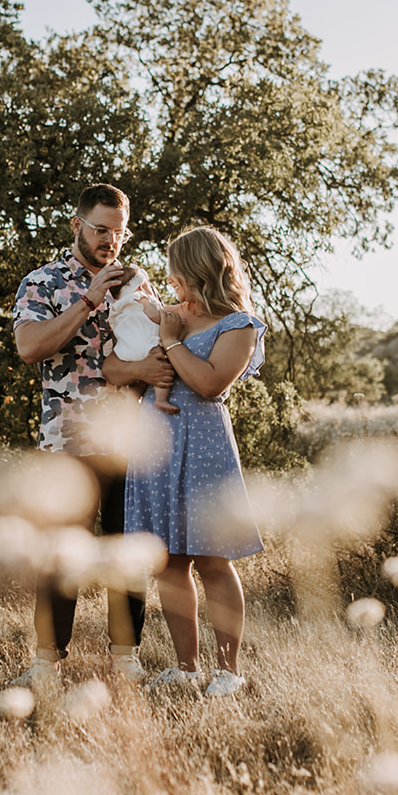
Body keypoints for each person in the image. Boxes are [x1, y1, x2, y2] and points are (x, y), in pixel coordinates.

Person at [10, 184, 174, 685]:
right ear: (77, 225)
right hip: (68, 440)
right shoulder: (43, 282)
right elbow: (30, 347)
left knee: (129, 548)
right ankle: (46, 664)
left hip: (130, 440)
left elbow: (162, 342)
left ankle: (126, 658)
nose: (111, 241)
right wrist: (88, 298)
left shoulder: (137, 284)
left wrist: (152, 362)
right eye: (102, 229)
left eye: (120, 232)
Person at [118, 226, 267, 698]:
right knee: (169, 562)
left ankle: (228, 671)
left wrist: (172, 340)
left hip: (203, 445)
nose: (171, 280)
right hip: (158, 442)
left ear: (198, 269)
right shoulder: (175, 314)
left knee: (213, 560)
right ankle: (186, 667)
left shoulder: (238, 325)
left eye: (177, 271)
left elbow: (208, 384)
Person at [107, 265, 179, 415]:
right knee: (161, 364)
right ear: (139, 285)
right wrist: (169, 320)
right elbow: (153, 314)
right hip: (146, 344)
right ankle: (161, 399)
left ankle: (131, 404)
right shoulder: (140, 297)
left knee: (139, 382)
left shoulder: (118, 305)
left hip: (125, 350)